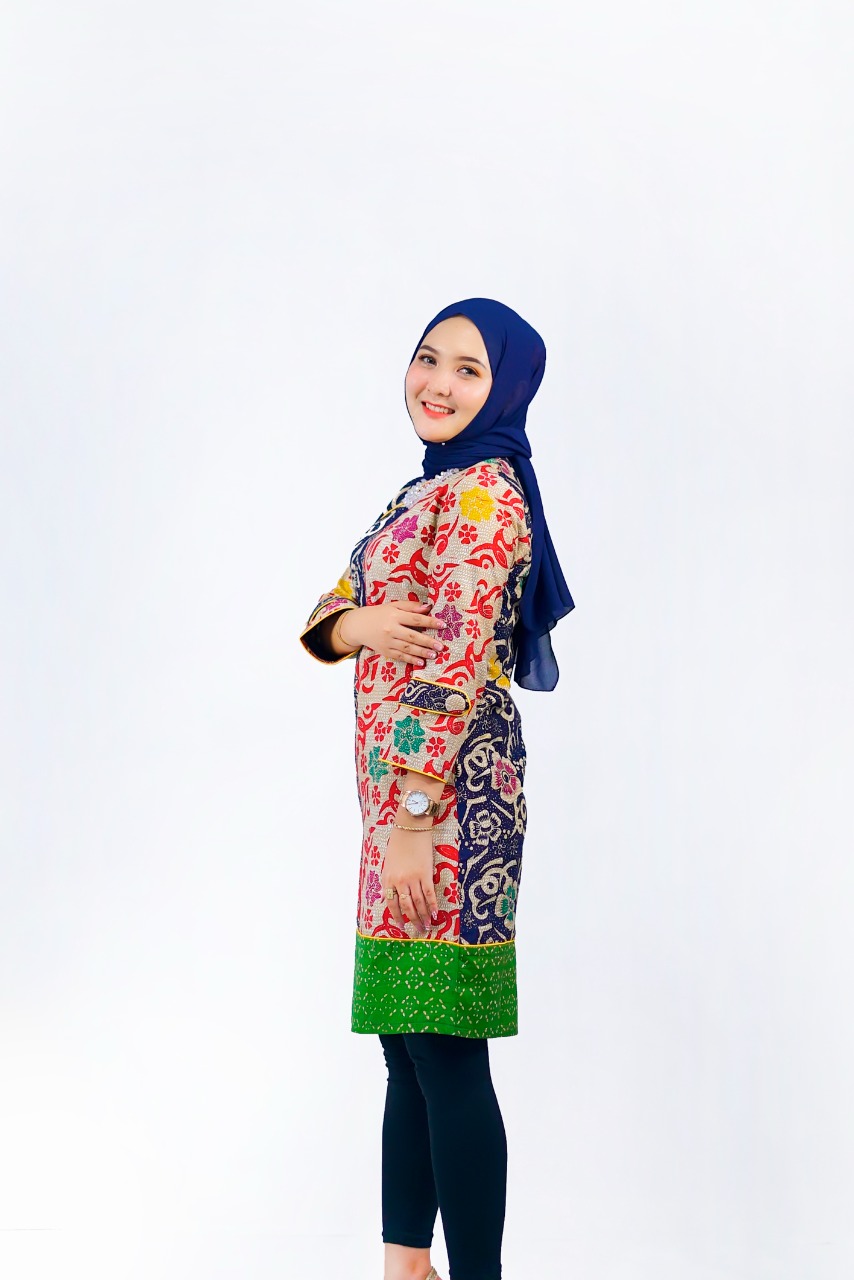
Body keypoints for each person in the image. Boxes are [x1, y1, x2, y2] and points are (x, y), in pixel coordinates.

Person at [299, 298, 575, 1280]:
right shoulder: (422, 490)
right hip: (394, 805)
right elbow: (330, 606)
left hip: (449, 799)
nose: (438, 383)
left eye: (468, 369)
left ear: (505, 388)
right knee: (404, 1046)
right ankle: (405, 1268)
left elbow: (454, 657)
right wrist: (358, 626)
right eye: (427, 358)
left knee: (446, 1049)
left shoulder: (484, 495)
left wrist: (416, 815)